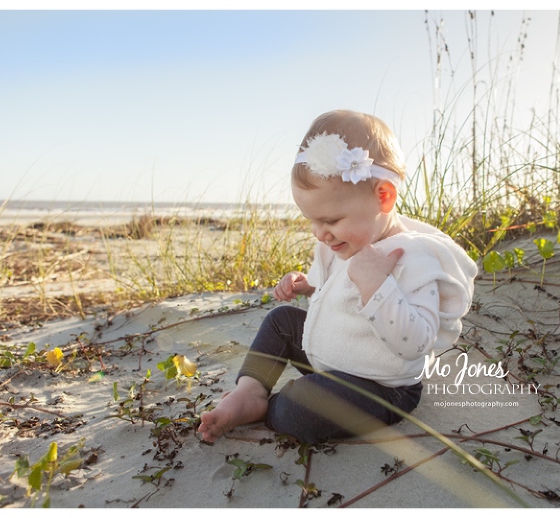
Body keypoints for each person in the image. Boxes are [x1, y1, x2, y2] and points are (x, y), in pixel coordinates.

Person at [198, 109, 478, 445]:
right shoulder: (345, 240)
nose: (320, 233)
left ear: (384, 196)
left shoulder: (413, 257)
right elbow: (334, 289)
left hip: (380, 386)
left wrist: (377, 286)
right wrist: (308, 286)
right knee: (281, 321)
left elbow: (417, 343)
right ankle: (250, 390)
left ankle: (274, 408)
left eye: (330, 220)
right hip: (332, 355)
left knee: (298, 409)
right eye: (312, 221)